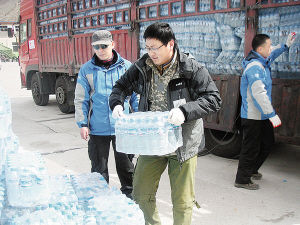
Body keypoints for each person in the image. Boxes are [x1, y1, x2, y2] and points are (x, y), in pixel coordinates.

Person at [109, 22, 221, 225]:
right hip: (152, 143)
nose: (151, 53)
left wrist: (184, 111)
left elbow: (213, 99)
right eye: (148, 47)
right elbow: (121, 86)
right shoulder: (143, 67)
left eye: (155, 48)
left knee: (182, 201)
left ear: (170, 44)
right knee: (140, 194)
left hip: (182, 145)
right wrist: (117, 103)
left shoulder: (190, 68)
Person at [74, 30, 139, 198]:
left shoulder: (126, 66)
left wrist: (139, 119)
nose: (101, 49)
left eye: (104, 45)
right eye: (96, 47)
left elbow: (135, 96)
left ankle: (129, 198)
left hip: (122, 128)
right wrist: (82, 124)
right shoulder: (86, 70)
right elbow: (81, 99)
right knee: (98, 169)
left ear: (112, 45)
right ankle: (101, 200)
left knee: (126, 167)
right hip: (97, 129)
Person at [234, 32, 296, 190]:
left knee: (267, 143)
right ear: (260, 49)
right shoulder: (254, 67)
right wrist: (272, 114)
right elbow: (259, 94)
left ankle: (252, 170)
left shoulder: (262, 60)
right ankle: (242, 180)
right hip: (253, 116)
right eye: (269, 46)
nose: (271, 49)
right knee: (251, 147)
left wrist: (285, 46)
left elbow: (273, 52)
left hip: (261, 115)